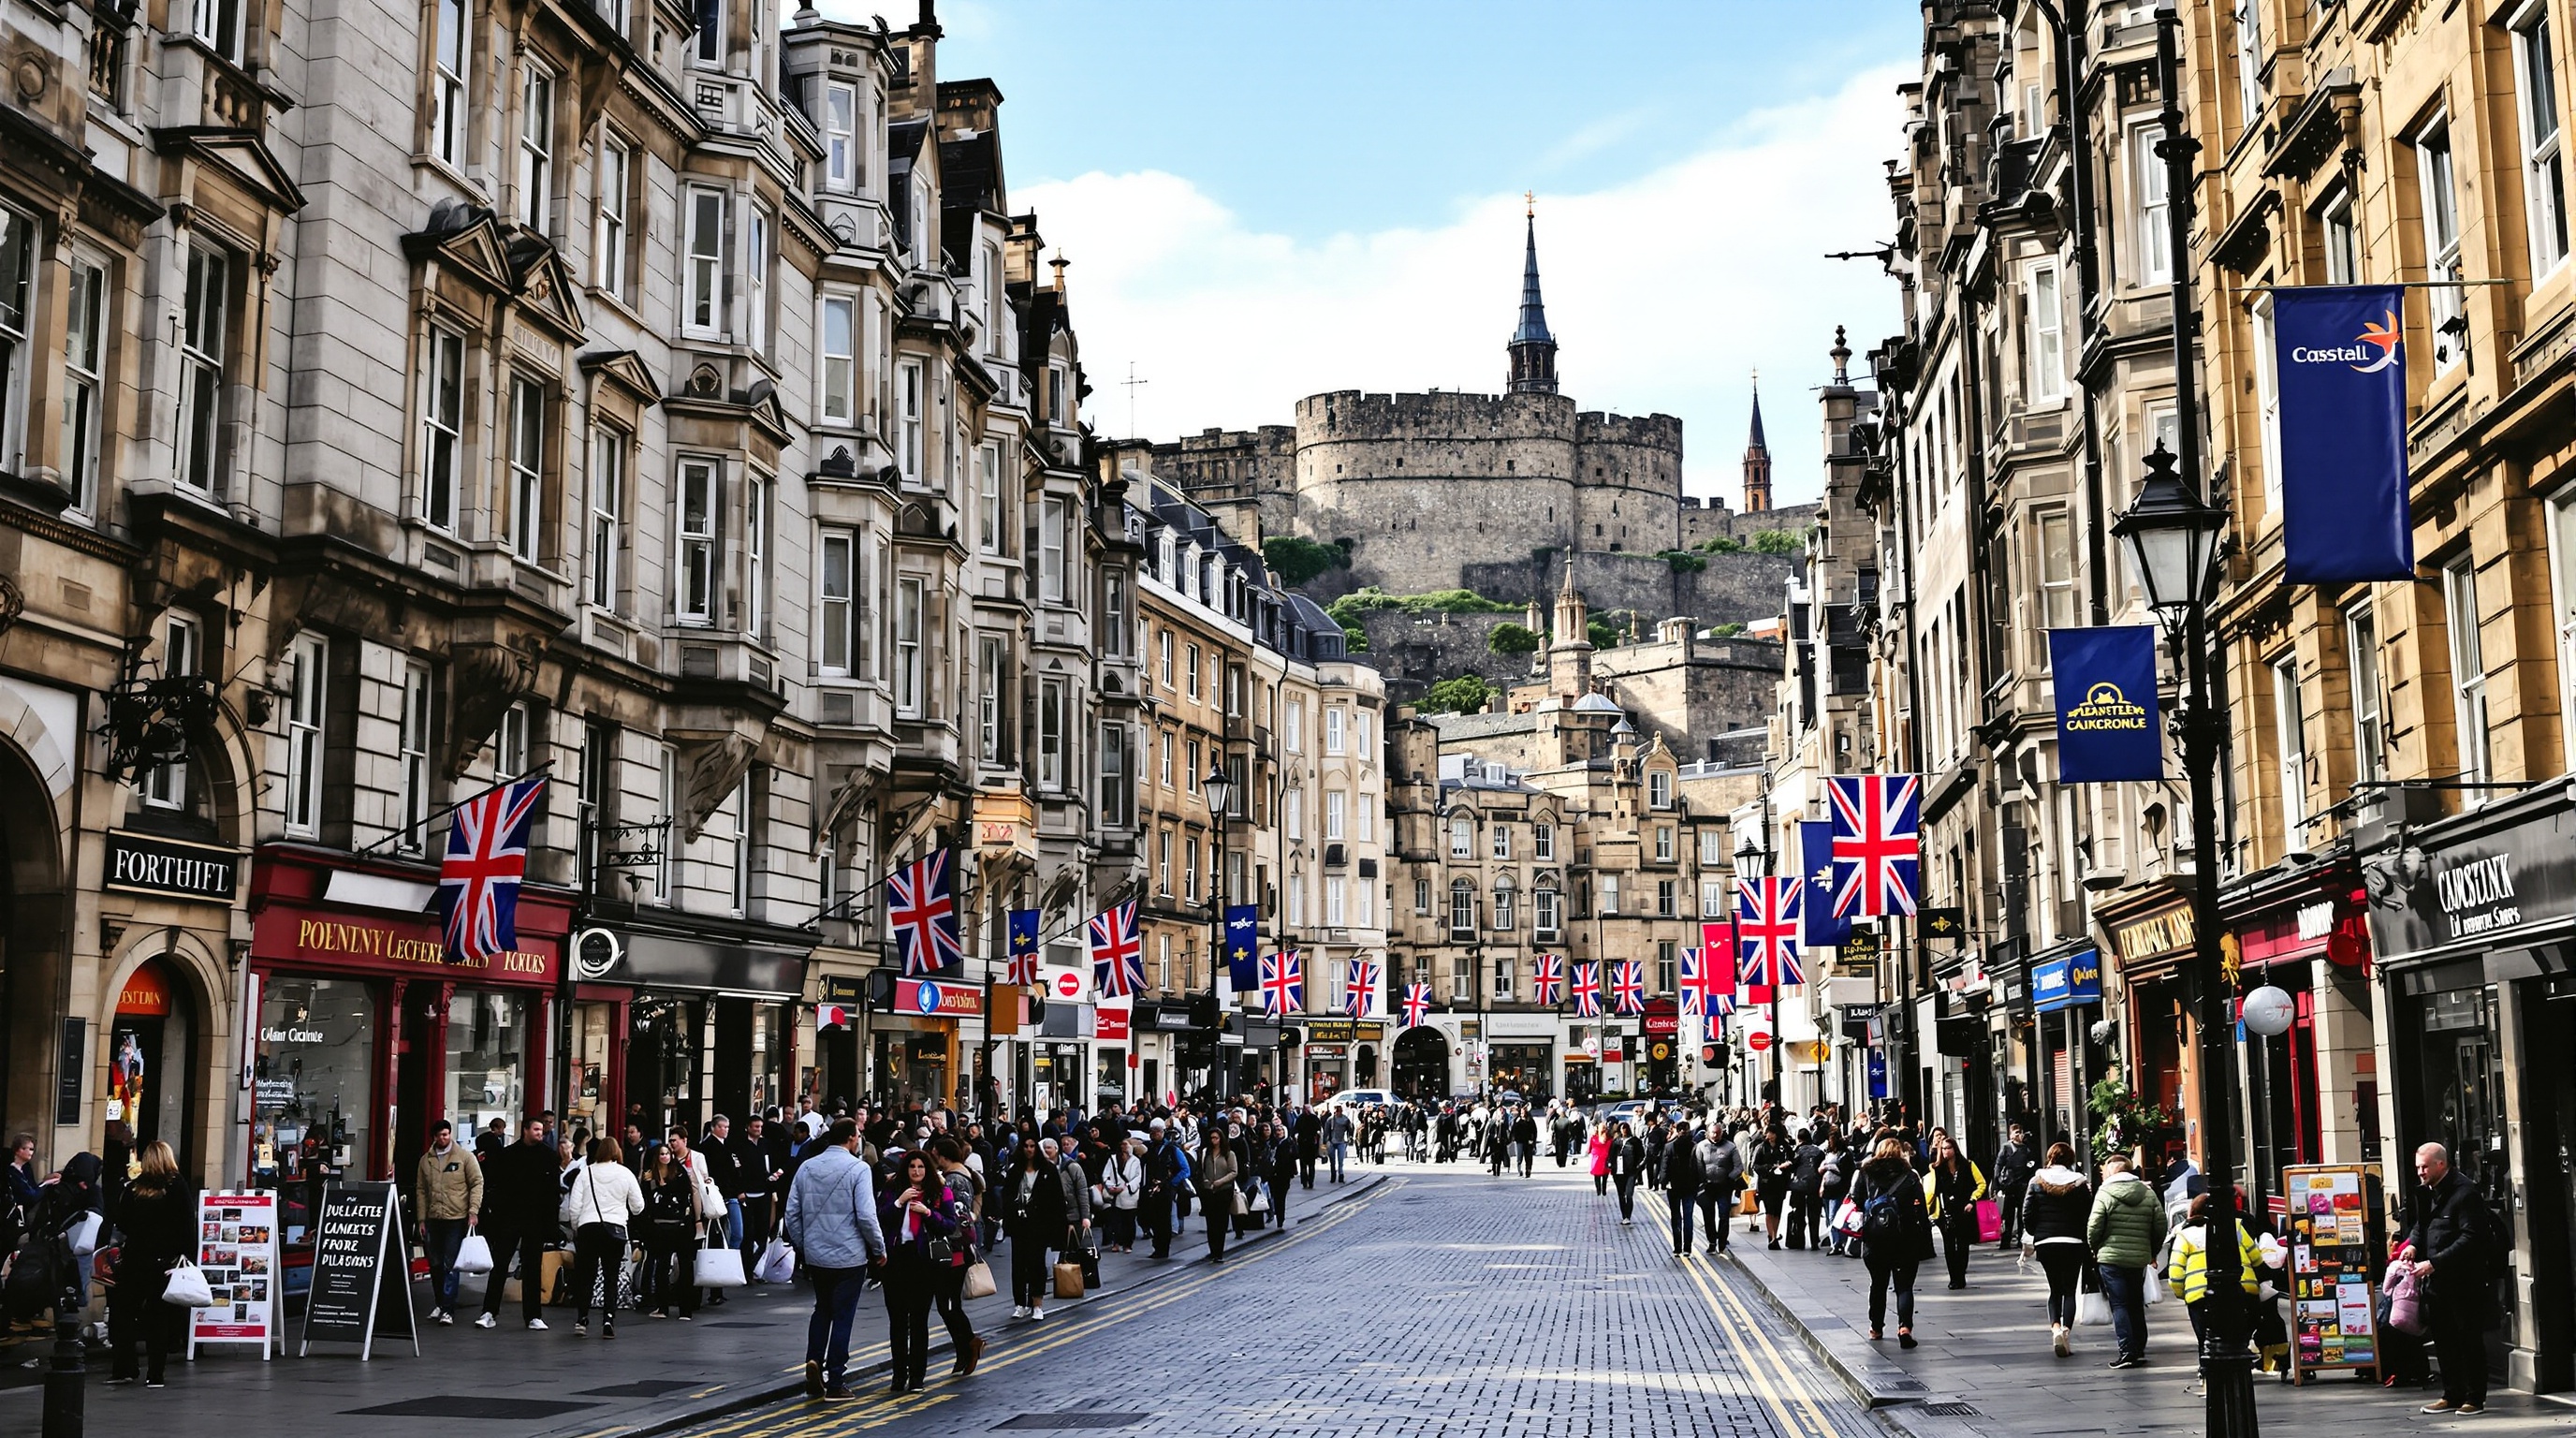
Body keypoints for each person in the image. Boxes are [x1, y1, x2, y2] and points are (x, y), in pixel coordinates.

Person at [783, 1118, 886, 1402]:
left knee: (822, 1310)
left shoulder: (807, 1167)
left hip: (817, 1255)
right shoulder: (859, 1168)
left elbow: (791, 1213)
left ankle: (814, 1362)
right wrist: (879, 1248)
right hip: (849, 1256)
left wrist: (806, 1245)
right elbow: (866, 1215)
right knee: (843, 1316)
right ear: (852, 1138)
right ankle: (836, 1381)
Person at [2398, 1141, 2499, 1415]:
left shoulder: (2465, 1193)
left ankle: (2474, 1398)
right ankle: (2451, 1393)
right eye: (2418, 1167)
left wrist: (2435, 1263)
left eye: (2424, 1167)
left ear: (2440, 1165)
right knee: (2444, 1340)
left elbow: (2472, 1237)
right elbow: (2423, 1225)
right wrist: (2413, 1245)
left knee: (2468, 1340)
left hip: (2464, 1282)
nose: (2420, 1172)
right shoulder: (2427, 1193)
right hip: (2437, 1284)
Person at [103, 1140, 191, 1387]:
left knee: (123, 1315)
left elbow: (122, 1222)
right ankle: (155, 1374)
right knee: (158, 1318)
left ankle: (124, 1368)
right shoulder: (177, 1186)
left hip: (134, 1258)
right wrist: (184, 1256)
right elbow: (185, 1226)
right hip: (163, 1260)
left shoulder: (134, 1189)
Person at [876, 1151, 962, 1396]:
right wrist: (899, 1202)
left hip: (924, 1261)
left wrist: (927, 1213)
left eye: (921, 1167)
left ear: (928, 1169)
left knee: (919, 1321)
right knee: (897, 1322)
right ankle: (898, 1375)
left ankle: (916, 1377)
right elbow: (880, 1217)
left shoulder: (940, 1192)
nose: (916, 1171)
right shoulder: (894, 1189)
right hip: (897, 1260)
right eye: (912, 1167)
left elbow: (949, 1224)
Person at [476, 1115, 558, 1330]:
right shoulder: (509, 1155)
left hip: (535, 1219)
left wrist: (551, 1224)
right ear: (526, 1130)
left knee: (532, 1267)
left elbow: (552, 1193)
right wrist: (497, 1216)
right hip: (509, 1218)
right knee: (500, 1265)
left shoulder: (549, 1156)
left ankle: (533, 1316)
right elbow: (495, 1185)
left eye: (542, 1130)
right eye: (537, 1129)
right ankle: (489, 1312)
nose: (541, 1133)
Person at [1852, 1137, 1933, 1346]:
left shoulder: (1866, 1172)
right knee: (1904, 1286)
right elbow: (1921, 1208)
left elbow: (1855, 1196)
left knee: (1878, 1285)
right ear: (1900, 1152)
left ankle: (1876, 1328)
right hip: (1905, 1238)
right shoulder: (1910, 1175)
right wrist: (1924, 1233)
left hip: (1874, 1238)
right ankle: (1904, 1327)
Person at [2086, 1152, 2160, 1368]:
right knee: (2136, 1302)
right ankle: (2139, 1347)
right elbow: (2160, 1225)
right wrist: (2152, 1251)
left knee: (2119, 1304)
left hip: (2110, 1257)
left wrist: (2096, 1247)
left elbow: (2094, 1226)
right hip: (2138, 1258)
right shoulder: (2148, 1194)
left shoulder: (2105, 1193)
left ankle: (2127, 1351)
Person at [564, 1136, 643, 1337]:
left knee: (586, 1276)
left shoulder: (585, 1173)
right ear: (617, 1152)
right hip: (615, 1229)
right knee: (611, 1276)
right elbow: (638, 1206)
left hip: (588, 1228)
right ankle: (608, 1319)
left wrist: (576, 1228)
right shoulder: (625, 1173)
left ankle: (582, 1319)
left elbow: (575, 1207)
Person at [2020, 1141, 2092, 1357]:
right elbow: (2088, 1213)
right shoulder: (2079, 1182)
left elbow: (2027, 1213)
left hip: (2046, 1242)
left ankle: (2055, 1328)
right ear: (2070, 1160)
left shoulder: (2036, 1181)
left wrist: (2037, 1232)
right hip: (2073, 1242)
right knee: (2070, 1290)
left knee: (2054, 1289)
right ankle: (2067, 1332)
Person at [2166, 1191, 2261, 1349]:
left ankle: (2206, 1367)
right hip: (2244, 1290)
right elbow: (2257, 1259)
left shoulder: (2185, 1236)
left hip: (2200, 1295)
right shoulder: (2236, 1227)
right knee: (2239, 1336)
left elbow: (2175, 1275)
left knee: (2205, 1339)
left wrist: (2184, 1295)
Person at [928, 1137, 988, 1375]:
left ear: (943, 1156)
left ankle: (970, 1342)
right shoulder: (956, 1176)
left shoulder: (955, 1180)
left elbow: (958, 1216)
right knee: (948, 1304)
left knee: (948, 1303)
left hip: (955, 1251)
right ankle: (964, 1351)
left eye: (935, 1155)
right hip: (952, 1249)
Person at [414, 1120, 482, 1325]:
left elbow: (477, 1182)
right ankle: (439, 1302)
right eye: (440, 1135)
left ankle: (448, 1308)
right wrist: (421, 1218)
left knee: (450, 1263)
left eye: (446, 1134)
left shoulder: (464, 1157)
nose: (443, 1138)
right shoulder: (426, 1161)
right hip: (434, 1217)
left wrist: (473, 1211)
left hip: (456, 1217)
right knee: (434, 1262)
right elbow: (421, 1190)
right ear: (434, 1137)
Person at [1003, 1137, 1067, 1318]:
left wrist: (1058, 1227)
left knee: (1037, 1264)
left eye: (1032, 1146)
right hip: (1019, 1225)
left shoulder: (1048, 1170)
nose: (1029, 1149)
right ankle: (1020, 1304)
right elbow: (1007, 1197)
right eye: (1026, 1146)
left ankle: (1037, 1304)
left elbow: (1057, 1199)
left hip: (1040, 1225)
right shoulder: (1015, 1170)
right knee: (1018, 1265)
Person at [638, 1143, 702, 1318]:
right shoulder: (650, 1176)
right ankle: (662, 1307)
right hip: (660, 1226)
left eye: (667, 1153)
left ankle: (685, 1309)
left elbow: (686, 1195)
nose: (665, 1157)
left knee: (684, 1267)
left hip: (680, 1225)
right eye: (662, 1154)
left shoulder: (679, 1172)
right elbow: (645, 1200)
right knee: (662, 1266)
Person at [1923, 1132, 1986, 1289]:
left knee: (1963, 1246)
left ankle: (1961, 1275)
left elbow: (1981, 1184)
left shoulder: (1968, 1165)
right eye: (1943, 1149)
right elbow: (1933, 1191)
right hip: (1945, 1213)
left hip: (1964, 1210)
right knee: (1949, 1247)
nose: (1945, 1151)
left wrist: (1973, 1200)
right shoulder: (1937, 1169)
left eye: (1948, 1148)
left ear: (1955, 1149)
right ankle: (1953, 1278)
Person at [1696, 1123, 1745, 1255]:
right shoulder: (1701, 1146)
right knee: (1708, 1215)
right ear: (1708, 1133)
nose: (1715, 1135)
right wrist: (1701, 1181)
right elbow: (1697, 1165)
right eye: (1713, 1133)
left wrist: (1730, 1178)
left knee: (1724, 1215)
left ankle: (1722, 1242)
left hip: (1724, 1187)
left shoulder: (1730, 1147)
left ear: (1722, 1132)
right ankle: (1712, 1241)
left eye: (1718, 1133)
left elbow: (1739, 1167)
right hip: (1707, 1187)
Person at [1657, 1118, 1702, 1257]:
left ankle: (1677, 1248)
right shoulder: (1694, 1146)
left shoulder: (1669, 1147)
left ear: (1677, 1131)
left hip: (1674, 1187)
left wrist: (1663, 1183)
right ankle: (1687, 1248)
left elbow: (1664, 1166)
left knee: (1676, 1216)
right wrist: (1700, 1182)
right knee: (1688, 1216)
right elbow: (1699, 1166)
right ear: (1689, 1131)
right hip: (1690, 1187)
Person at [1197, 1124, 1241, 1264]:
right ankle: (1212, 1251)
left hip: (1224, 1191)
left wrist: (1220, 1182)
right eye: (1211, 1138)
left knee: (1221, 1223)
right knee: (1211, 1223)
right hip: (1209, 1191)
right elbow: (1202, 1170)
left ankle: (1219, 1253)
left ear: (1221, 1139)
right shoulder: (1206, 1153)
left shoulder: (1229, 1154)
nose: (1213, 1140)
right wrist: (1206, 1182)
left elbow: (1234, 1172)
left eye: (1216, 1138)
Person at [1994, 1123, 2037, 1249]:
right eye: (2016, 1132)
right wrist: (1997, 1184)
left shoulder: (2026, 1149)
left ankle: (2021, 1239)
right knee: (2008, 1214)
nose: (2019, 1135)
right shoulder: (2006, 1148)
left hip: (2023, 1184)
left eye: (2020, 1132)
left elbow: (2032, 1164)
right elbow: (1998, 1165)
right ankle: (2005, 1240)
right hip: (2010, 1185)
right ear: (2010, 1135)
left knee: (2022, 1214)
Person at [1099, 1137, 1144, 1254]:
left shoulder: (1135, 1160)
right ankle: (1117, 1242)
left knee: (1129, 1220)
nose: (1125, 1147)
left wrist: (1128, 1187)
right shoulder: (1113, 1159)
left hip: (1130, 1194)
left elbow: (1138, 1177)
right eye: (1123, 1144)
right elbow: (1105, 1175)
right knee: (1116, 1220)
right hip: (1116, 1194)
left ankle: (1128, 1244)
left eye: (1127, 1144)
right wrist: (1111, 1186)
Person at [1607, 1122, 1647, 1225]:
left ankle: (1628, 1216)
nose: (1623, 1131)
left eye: (1625, 1128)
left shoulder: (1635, 1141)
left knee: (1629, 1194)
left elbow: (1642, 1156)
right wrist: (1610, 1165)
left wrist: (1638, 1167)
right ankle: (1624, 1216)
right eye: (1621, 1128)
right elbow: (1610, 1155)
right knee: (1621, 1195)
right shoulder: (1616, 1142)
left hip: (1631, 1172)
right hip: (1618, 1172)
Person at [1325, 1107, 1354, 1183]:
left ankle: (1341, 1174)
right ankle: (1333, 1175)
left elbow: (1350, 1129)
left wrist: (1349, 1137)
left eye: (1338, 1112)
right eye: (1335, 1112)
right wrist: (1325, 1142)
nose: (1336, 1113)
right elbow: (1326, 1131)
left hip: (1341, 1141)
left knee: (1341, 1160)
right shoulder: (1330, 1120)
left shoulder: (1345, 1119)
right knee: (1332, 1160)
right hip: (1331, 1142)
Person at [1588, 1123, 1611, 1196]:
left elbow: (1590, 1148)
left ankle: (1601, 1190)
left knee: (1601, 1176)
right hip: (1600, 1158)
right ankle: (1600, 1190)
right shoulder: (1607, 1138)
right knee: (1600, 1176)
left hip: (1602, 1158)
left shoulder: (1595, 1138)